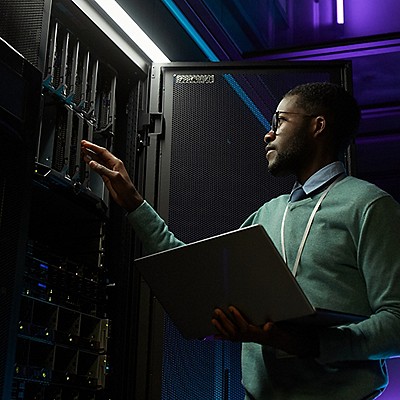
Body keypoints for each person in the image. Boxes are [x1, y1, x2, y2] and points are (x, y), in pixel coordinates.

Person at [81, 82, 400, 400]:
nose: (268, 134)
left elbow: (396, 323)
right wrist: (134, 203)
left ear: (318, 126)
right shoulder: (267, 214)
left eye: (280, 121)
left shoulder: (369, 206)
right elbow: (197, 276)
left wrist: (308, 344)